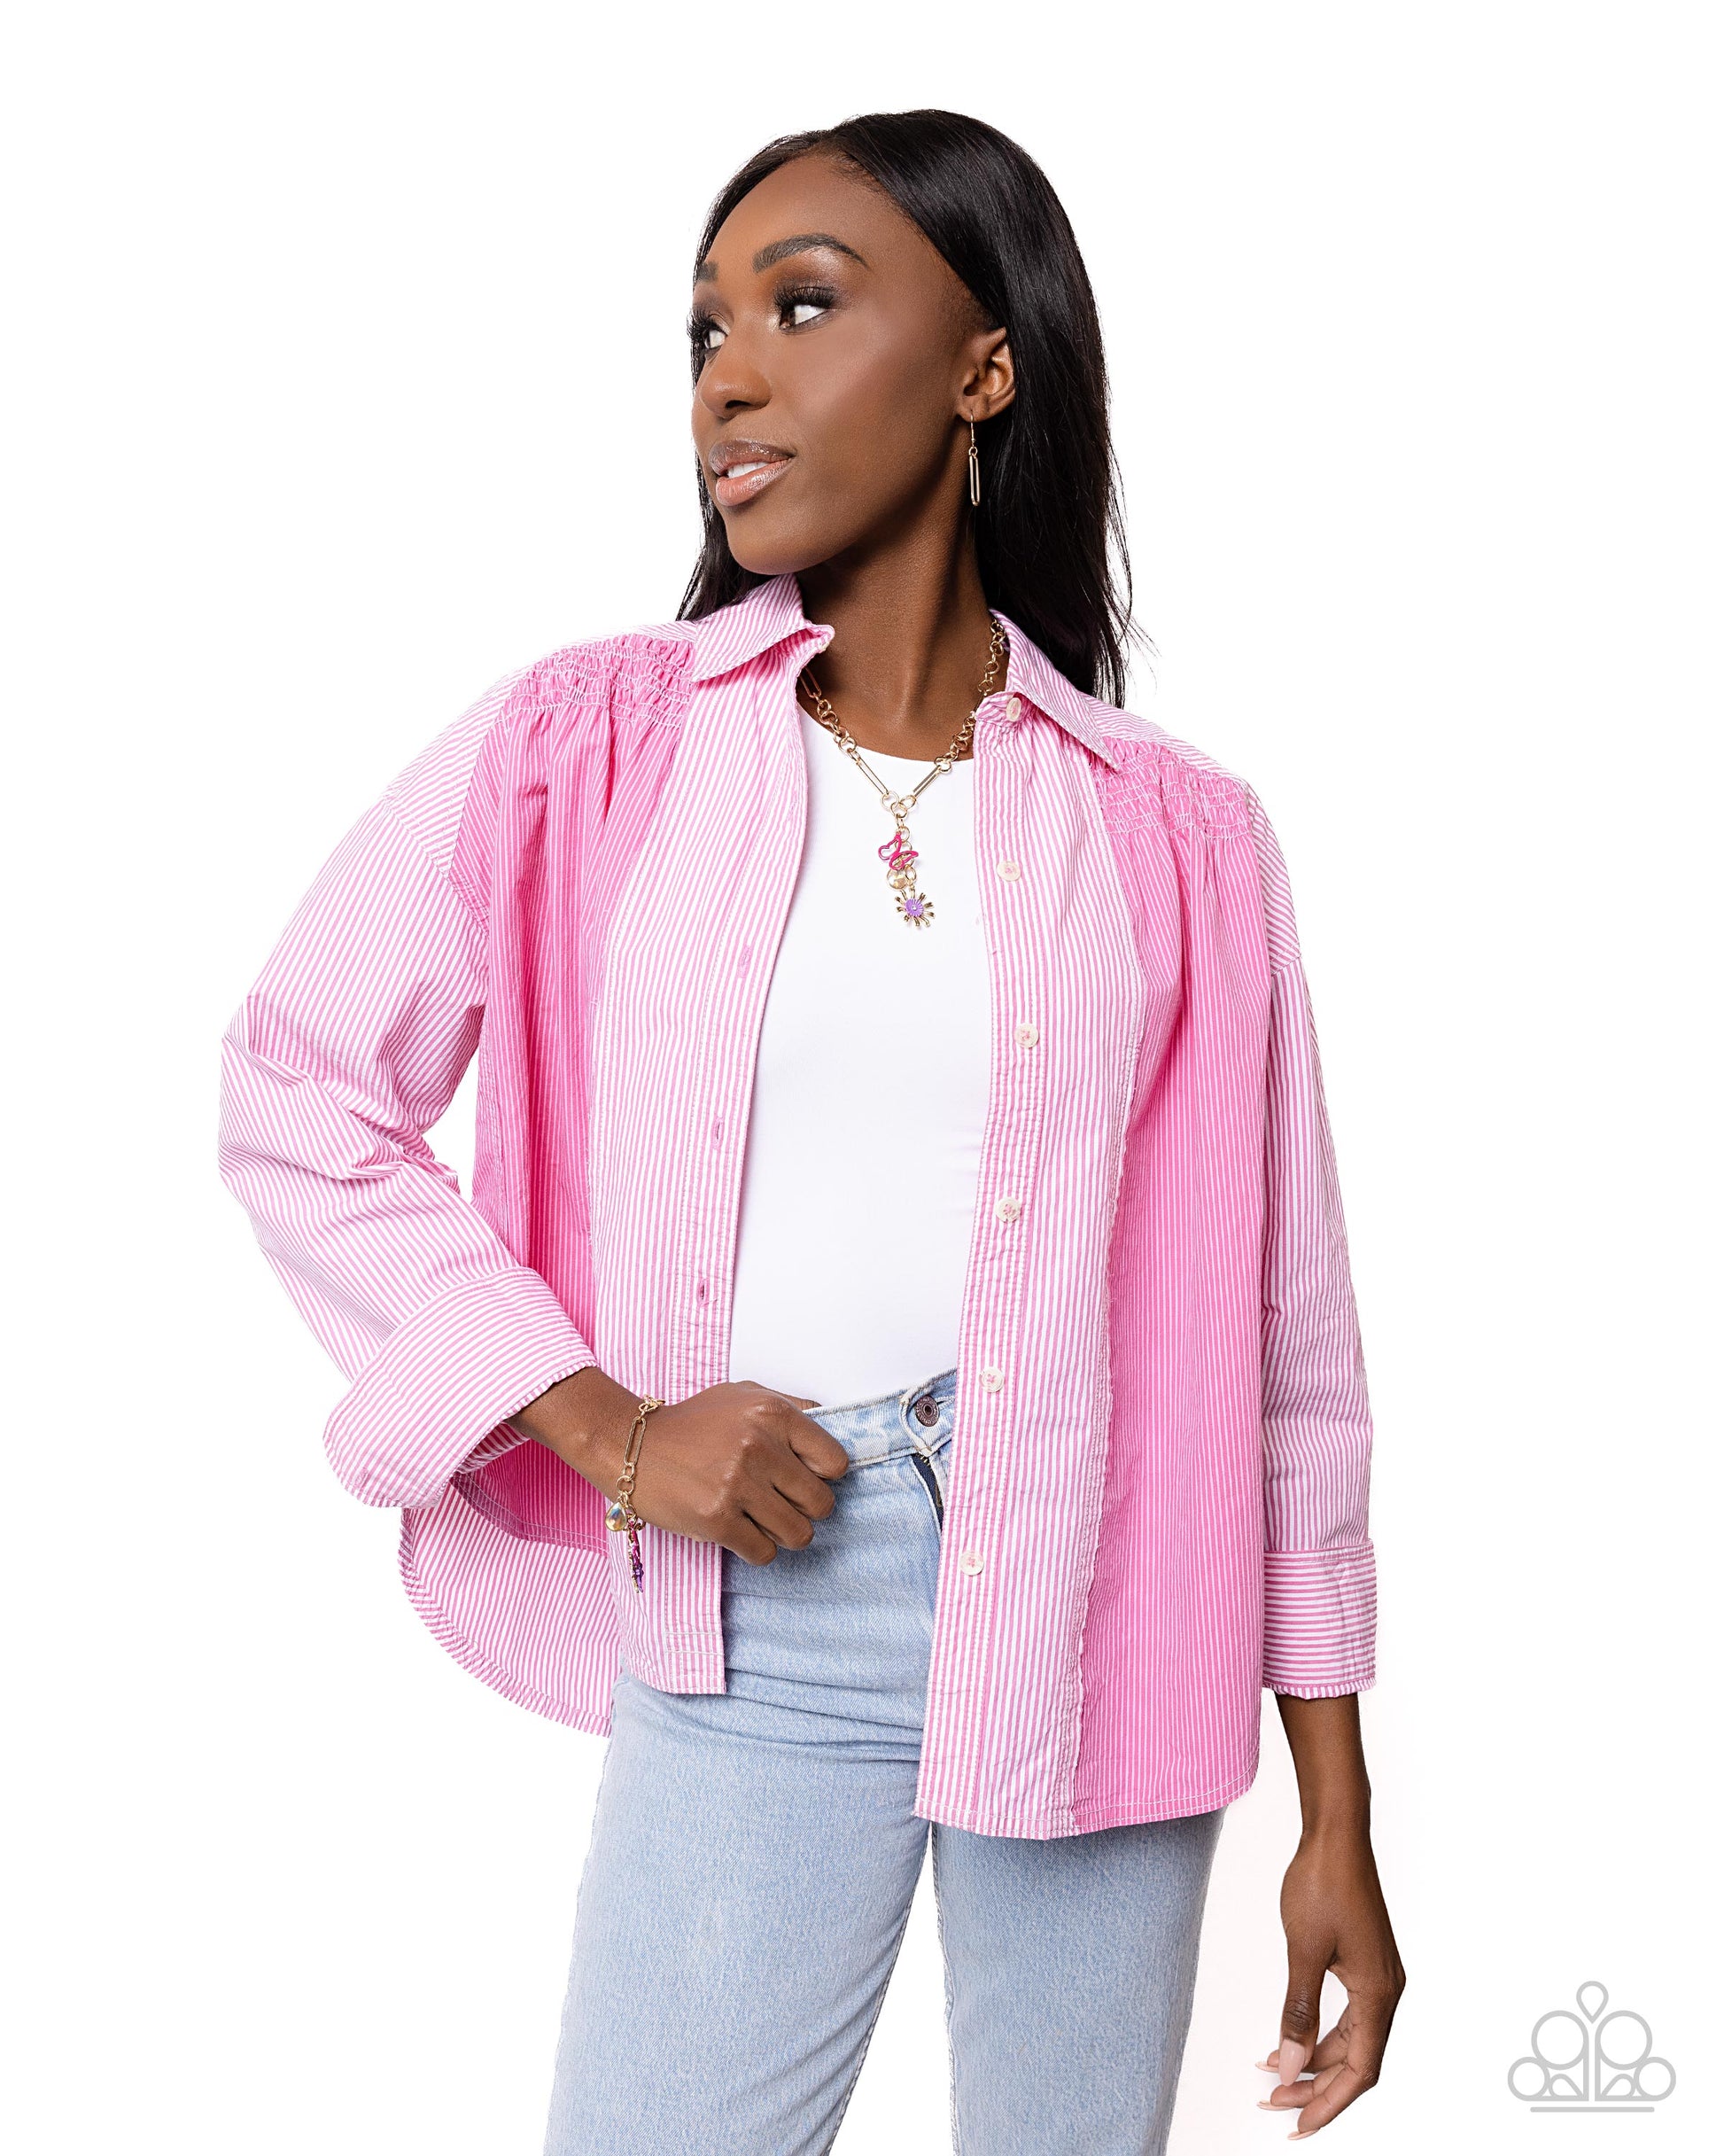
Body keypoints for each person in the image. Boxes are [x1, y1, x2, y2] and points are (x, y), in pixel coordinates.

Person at [219, 108, 1404, 2155]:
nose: (729, 378)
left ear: (983, 368)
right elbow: (298, 1083)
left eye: (802, 306)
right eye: (705, 330)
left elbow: (1287, 1350)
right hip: (759, 1584)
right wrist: (605, 1422)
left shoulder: (1179, 834)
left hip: (1108, 1596)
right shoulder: (589, 747)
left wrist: (1339, 1812)